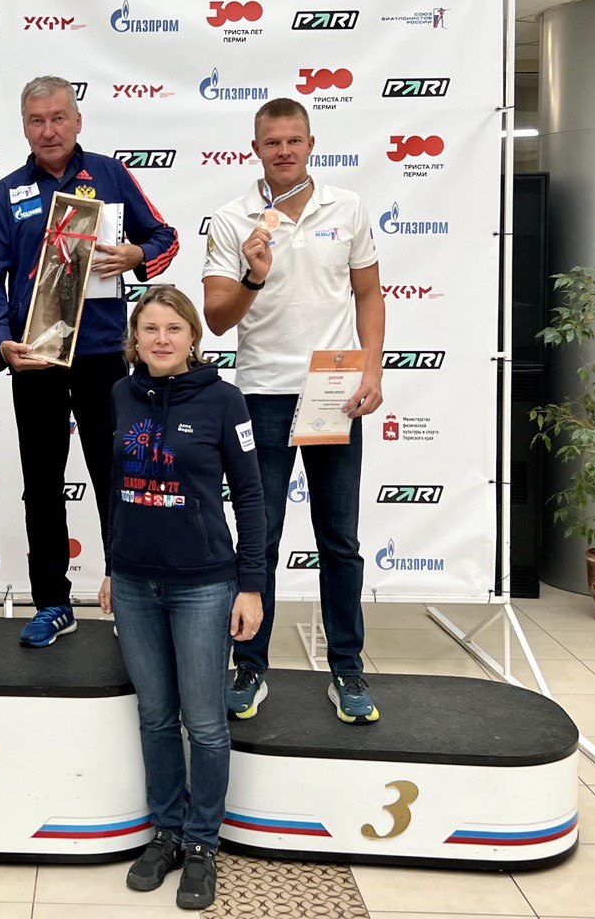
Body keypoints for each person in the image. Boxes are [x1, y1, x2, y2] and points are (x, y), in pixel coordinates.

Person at [0, 75, 179, 648]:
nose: (49, 130)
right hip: (36, 358)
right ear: (24, 127)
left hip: (104, 358)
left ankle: (130, 595)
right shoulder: (8, 190)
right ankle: (52, 603)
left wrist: (136, 254)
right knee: (42, 486)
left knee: (118, 476)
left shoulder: (110, 175)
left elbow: (165, 237)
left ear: (78, 120)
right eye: (37, 120)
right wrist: (3, 344)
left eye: (58, 117)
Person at [201, 97, 385, 725]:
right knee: (262, 538)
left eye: (294, 140)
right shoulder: (233, 219)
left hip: (333, 389)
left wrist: (372, 368)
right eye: (272, 142)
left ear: (311, 143)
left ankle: (348, 669)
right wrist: (253, 276)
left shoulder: (348, 207)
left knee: (340, 539)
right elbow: (216, 320)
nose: (284, 150)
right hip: (263, 391)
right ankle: (250, 667)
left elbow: (368, 293)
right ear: (255, 148)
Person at [99, 285, 265, 911]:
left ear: (193, 337)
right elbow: (115, 486)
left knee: (206, 724)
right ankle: (166, 833)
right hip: (134, 584)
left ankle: (201, 844)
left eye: (173, 328)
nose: (161, 339)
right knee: (155, 717)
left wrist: (251, 585)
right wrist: (113, 565)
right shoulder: (122, 394)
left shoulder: (224, 401)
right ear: (134, 339)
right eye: (150, 328)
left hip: (204, 585)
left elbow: (250, 496)